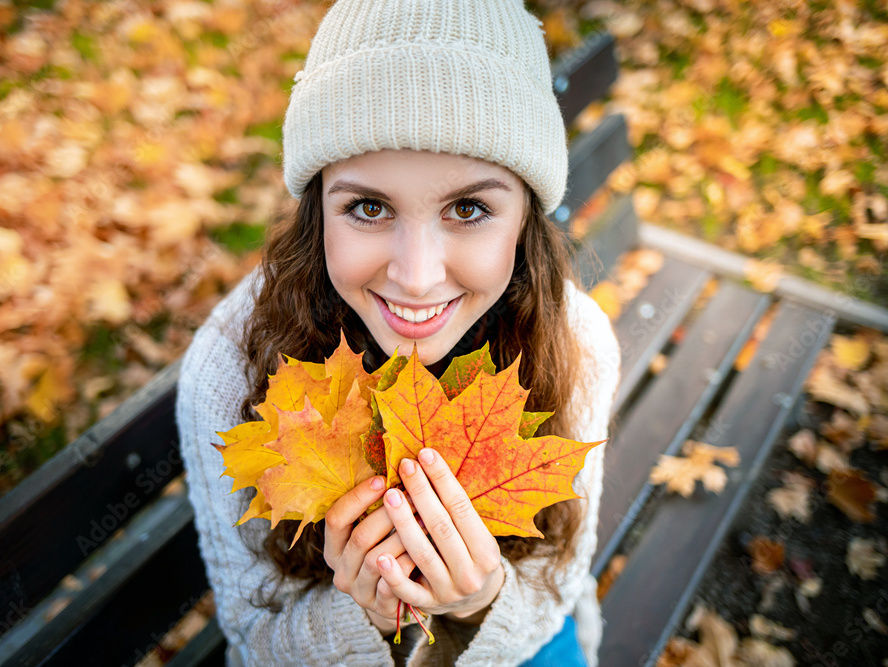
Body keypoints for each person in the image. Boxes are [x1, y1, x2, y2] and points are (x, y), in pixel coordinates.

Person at [175, 0, 622, 665]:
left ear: (526, 212)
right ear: (316, 209)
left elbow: (557, 581)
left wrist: (480, 602)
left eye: (468, 208)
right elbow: (253, 633)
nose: (416, 276)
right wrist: (356, 615)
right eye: (369, 207)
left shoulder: (572, 339)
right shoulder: (228, 370)